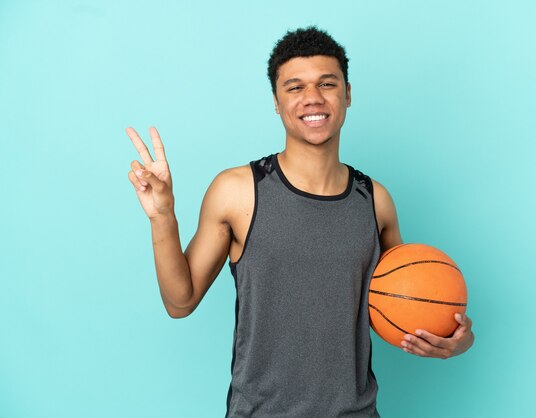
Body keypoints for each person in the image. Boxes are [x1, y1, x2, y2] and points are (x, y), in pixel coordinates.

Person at [126, 26, 474, 417]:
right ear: (276, 101)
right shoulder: (238, 191)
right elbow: (180, 301)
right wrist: (162, 217)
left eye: (327, 84)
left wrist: (454, 337)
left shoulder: (376, 202)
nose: (313, 98)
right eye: (295, 87)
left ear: (347, 94)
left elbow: (398, 305)